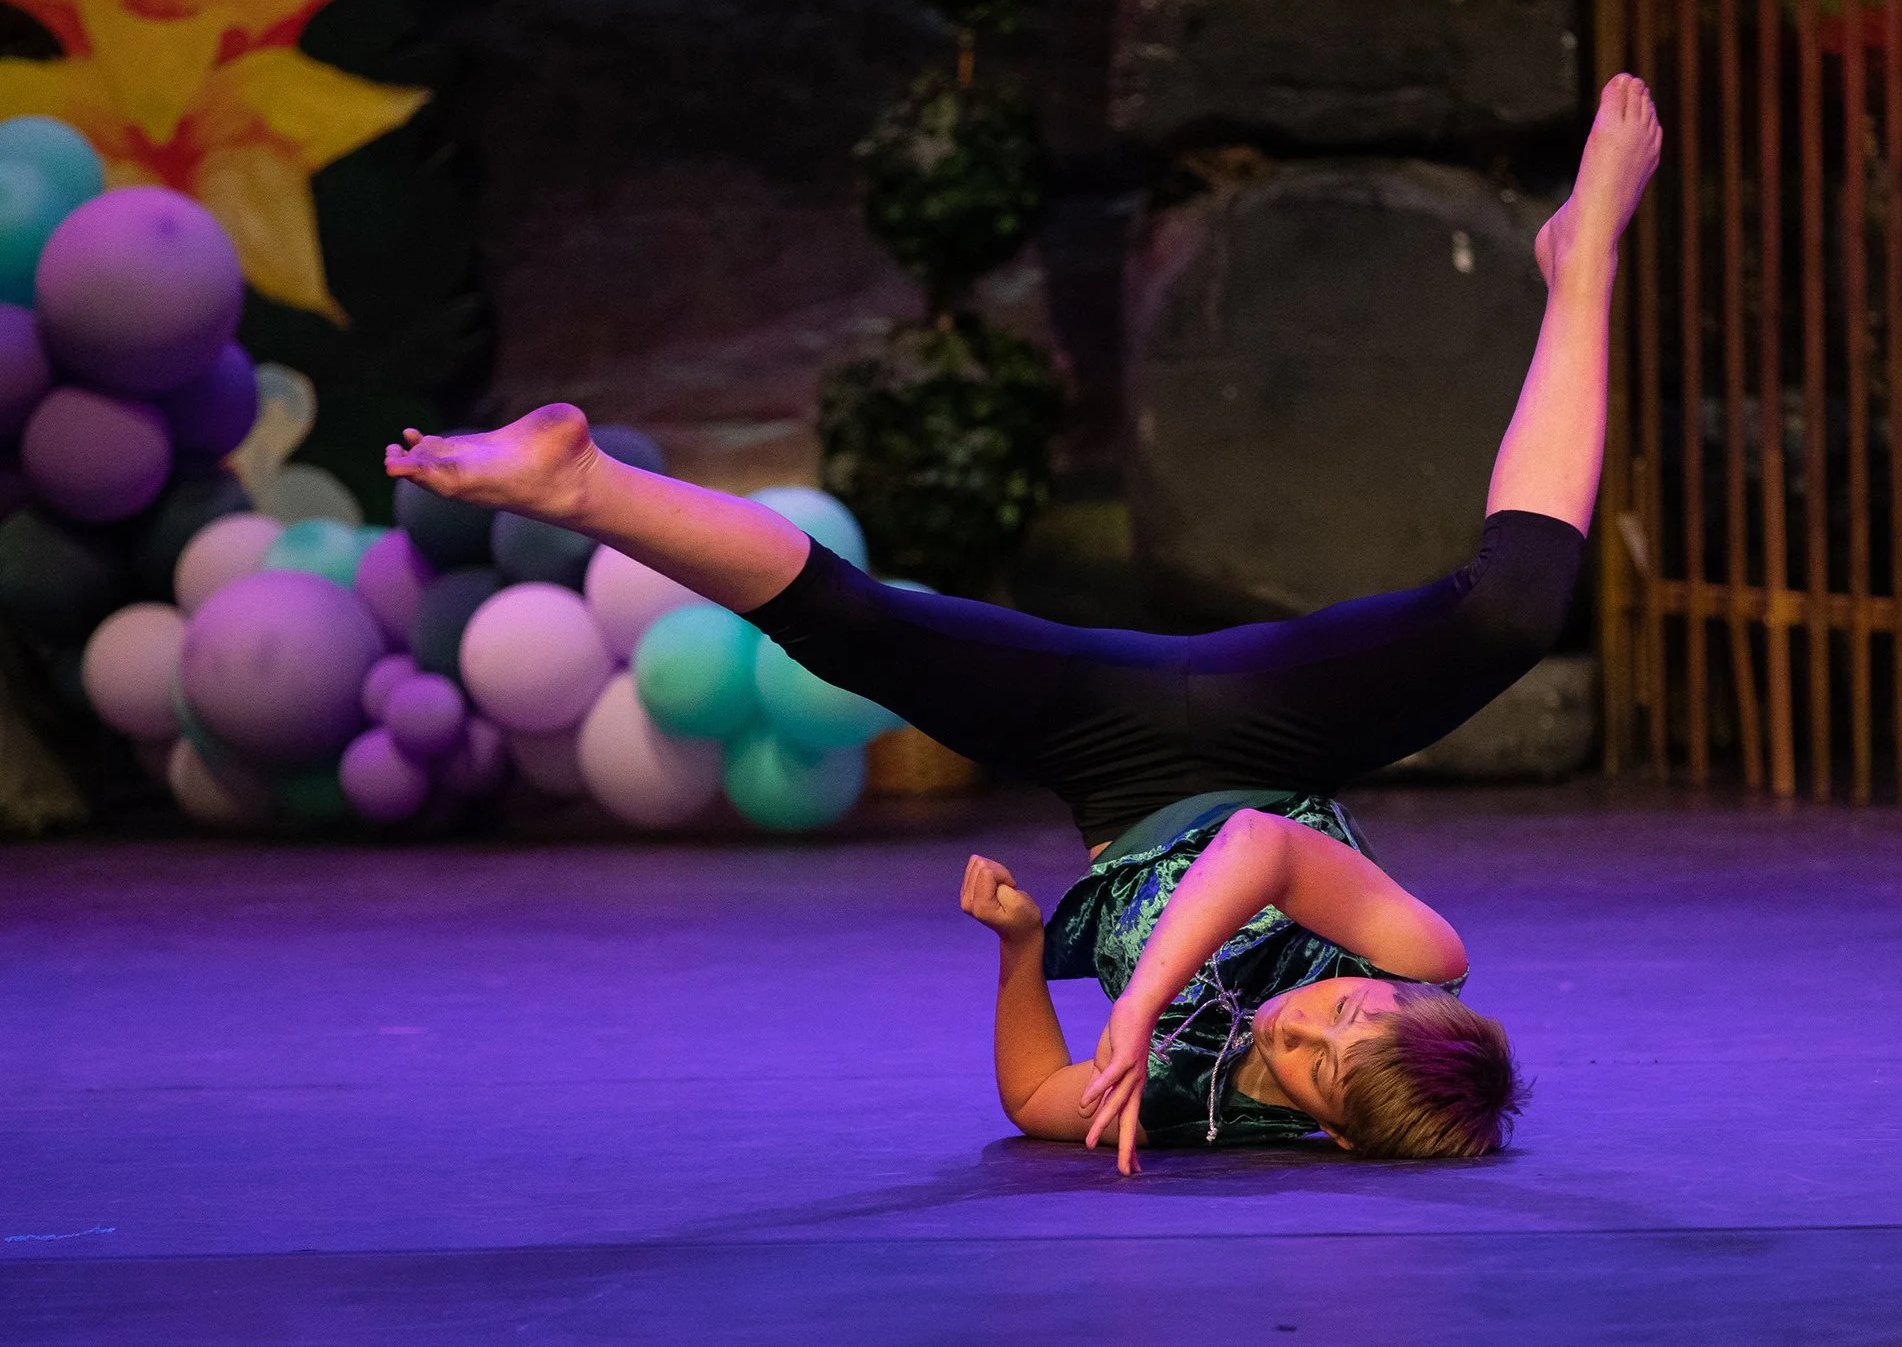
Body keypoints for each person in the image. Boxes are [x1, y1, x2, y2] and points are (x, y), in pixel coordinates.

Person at [386, 74, 1663, 1176]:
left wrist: (1015, 953)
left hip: (1105, 764)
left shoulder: (1213, 1112)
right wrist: (1143, 1000)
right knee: (1509, 613)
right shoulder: (1425, 954)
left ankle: (579, 486)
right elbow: (1265, 850)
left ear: (1324, 1134)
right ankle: (1583, 258)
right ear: (1402, 991)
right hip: (1279, 729)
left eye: (1317, 1066)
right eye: (1350, 1010)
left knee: (862, 634)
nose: (1306, 1025)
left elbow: (1040, 1106)